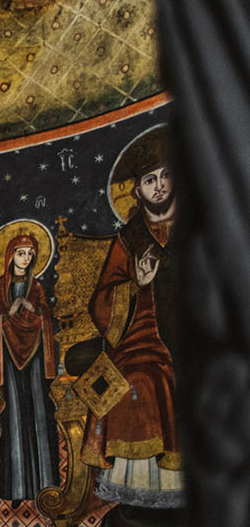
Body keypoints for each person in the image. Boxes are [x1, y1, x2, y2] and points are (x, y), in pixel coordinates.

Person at [83, 130, 180, 504]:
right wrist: (136, 285)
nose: (159, 186)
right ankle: (150, 490)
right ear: (137, 191)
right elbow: (101, 300)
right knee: (139, 378)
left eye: (165, 176)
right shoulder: (128, 240)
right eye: (149, 180)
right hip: (141, 334)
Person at [0, 230, 61, 501]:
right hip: (9, 360)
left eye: (30, 254)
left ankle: (45, 484)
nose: (26, 258)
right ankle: (16, 488)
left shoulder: (38, 287)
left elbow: (46, 318)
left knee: (39, 415)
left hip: (35, 360)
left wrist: (32, 309)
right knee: (15, 418)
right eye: (21, 253)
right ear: (9, 256)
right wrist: (10, 312)